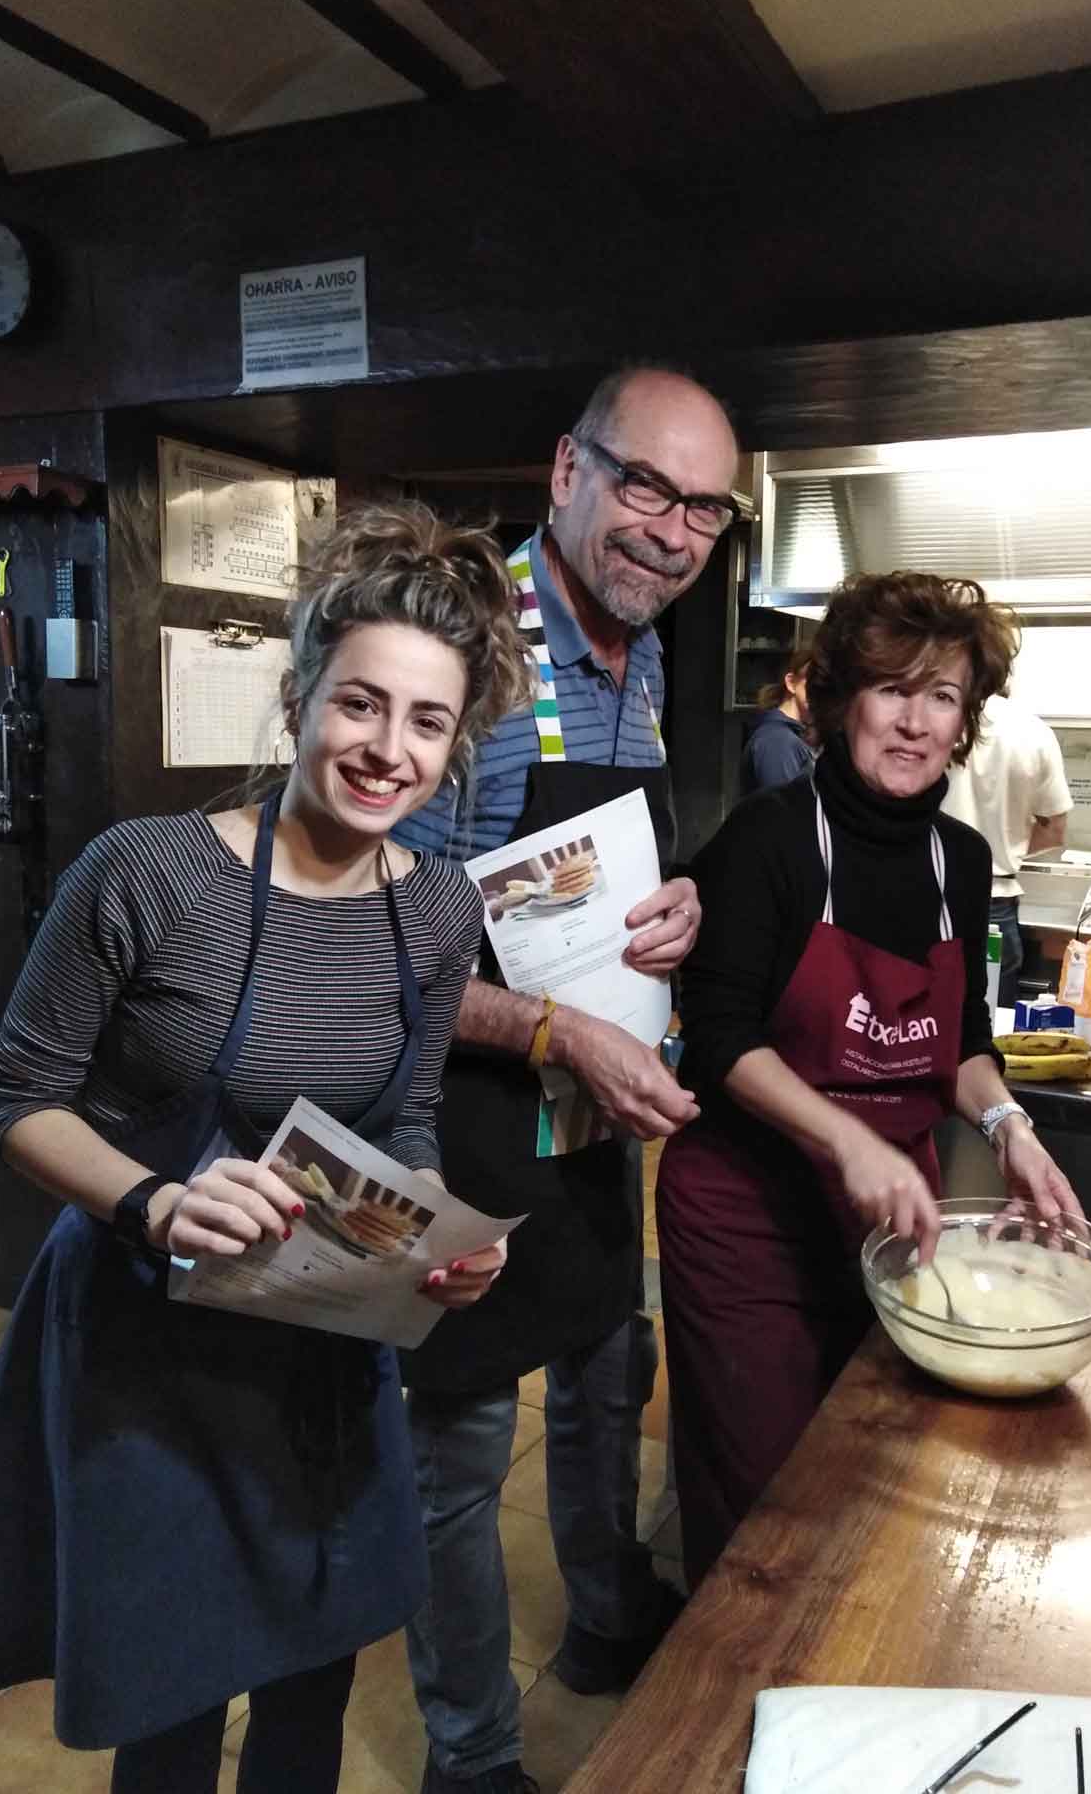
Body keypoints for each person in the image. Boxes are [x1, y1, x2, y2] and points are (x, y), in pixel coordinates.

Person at [0, 504, 530, 1793]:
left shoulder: (441, 911)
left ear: (456, 748)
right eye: (360, 704)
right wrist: (158, 1203)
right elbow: (14, 1098)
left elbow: (403, 1117)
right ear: (298, 698)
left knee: (308, 1686)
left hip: (320, 1360)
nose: (387, 750)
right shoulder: (149, 877)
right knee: (169, 1709)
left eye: (427, 722)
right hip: (146, 1355)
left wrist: (433, 1229)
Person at [393, 365, 740, 1794]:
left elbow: (603, 885)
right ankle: (469, 1760)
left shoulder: (644, 658)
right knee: (456, 1461)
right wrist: (551, 1032)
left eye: (702, 509)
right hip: (457, 1124)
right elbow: (372, 951)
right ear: (565, 473)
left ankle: (603, 1621)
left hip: (589, 1119)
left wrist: (681, 914)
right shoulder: (458, 654)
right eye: (644, 486)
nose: (667, 532)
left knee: (609, 1375)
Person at [656, 572, 1085, 1591]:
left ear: (965, 722)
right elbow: (716, 1038)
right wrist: (846, 1140)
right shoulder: (767, 840)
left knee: (865, 1464)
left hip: (892, 1217)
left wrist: (1013, 1129)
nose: (914, 720)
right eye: (893, 689)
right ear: (847, 698)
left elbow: (964, 1040)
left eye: (941, 697)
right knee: (764, 1495)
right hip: (747, 1217)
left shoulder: (963, 860)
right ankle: (732, 1702)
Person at [942, 690, 1073, 1007]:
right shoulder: (1033, 731)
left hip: (926, 893)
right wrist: (1001, 849)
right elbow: (1054, 830)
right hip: (994, 903)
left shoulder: (930, 718)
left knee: (914, 1034)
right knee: (987, 1030)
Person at [740, 645, 814, 795]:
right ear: (791, 683)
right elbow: (782, 812)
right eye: (814, 682)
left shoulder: (788, 736)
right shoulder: (778, 741)